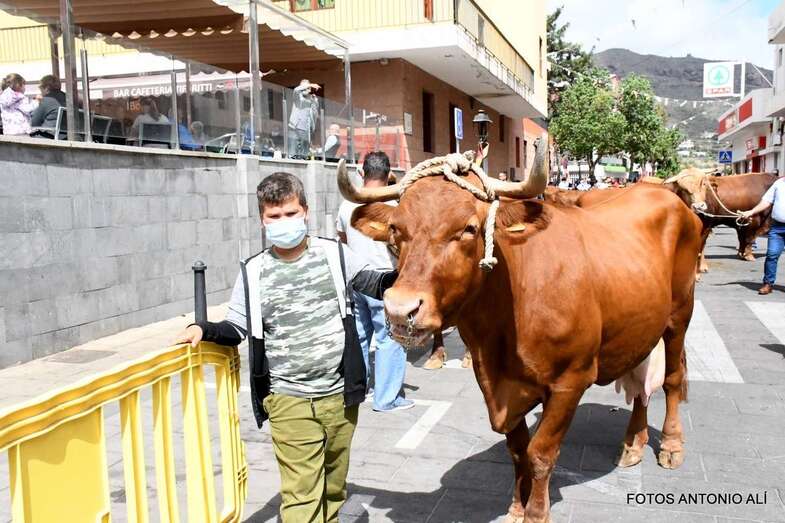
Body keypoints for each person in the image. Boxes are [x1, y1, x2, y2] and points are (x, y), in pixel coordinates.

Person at [175, 171, 396, 522]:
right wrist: (204, 328)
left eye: (290, 213)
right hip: (288, 399)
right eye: (274, 216)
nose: (283, 221)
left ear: (305, 211)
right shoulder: (253, 271)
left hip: (339, 397)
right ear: (262, 220)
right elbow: (236, 326)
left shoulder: (335, 254)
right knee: (301, 497)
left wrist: (417, 264)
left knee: (333, 488)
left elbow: (376, 283)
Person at [336, 152, 413, 412]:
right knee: (390, 338)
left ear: (362, 172)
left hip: (355, 279)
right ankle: (387, 398)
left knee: (359, 336)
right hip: (384, 281)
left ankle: (359, 388)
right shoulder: (396, 205)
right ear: (389, 174)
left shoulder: (346, 204)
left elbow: (342, 238)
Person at [740, 176, 785, 295]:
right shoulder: (779, 183)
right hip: (777, 227)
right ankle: (768, 284)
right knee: (772, 255)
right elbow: (766, 201)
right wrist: (751, 212)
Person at [288, 79, 320, 159]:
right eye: (304, 87)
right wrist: (310, 85)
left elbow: (315, 113)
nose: (306, 89)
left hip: (306, 128)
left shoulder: (310, 99)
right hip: (295, 126)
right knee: (292, 152)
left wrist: (315, 102)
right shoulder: (297, 96)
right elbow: (296, 89)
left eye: (308, 88)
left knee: (304, 152)